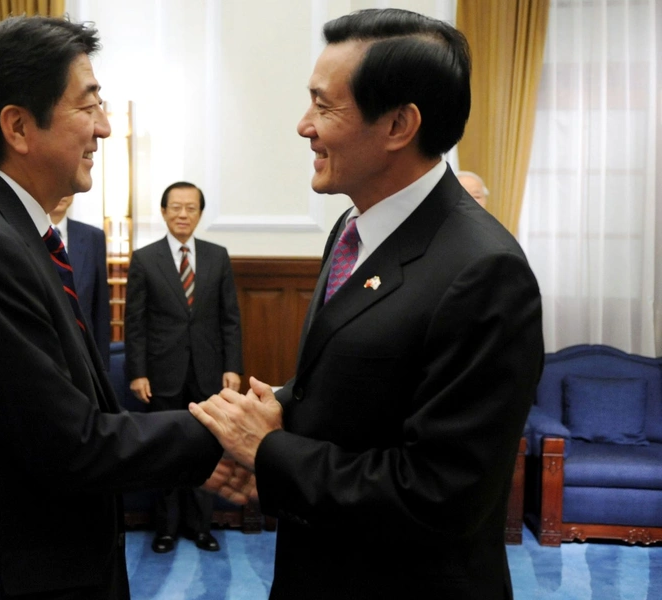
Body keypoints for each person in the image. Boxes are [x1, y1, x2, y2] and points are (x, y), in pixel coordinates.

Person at [189, 8, 544, 599]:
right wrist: (270, 416)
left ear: (399, 125)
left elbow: (438, 494)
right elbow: (357, 383)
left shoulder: (485, 272)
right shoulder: (353, 231)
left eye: (324, 107)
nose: (304, 126)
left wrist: (271, 453)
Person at [0, 16, 249, 600]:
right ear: (18, 126)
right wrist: (229, 428)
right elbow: (75, 445)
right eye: (89, 106)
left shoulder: (14, 234)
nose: (105, 128)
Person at [124, 181, 243, 554]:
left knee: (207, 450)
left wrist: (232, 366)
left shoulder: (217, 256)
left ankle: (201, 526)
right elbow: (135, 323)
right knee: (167, 453)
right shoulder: (145, 259)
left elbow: (230, 319)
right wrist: (137, 371)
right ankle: (166, 529)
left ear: (200, 214)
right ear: (163, 212)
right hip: (162, 373)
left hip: (209, 371)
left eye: (191, 208)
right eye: (175, 207)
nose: (182, 214)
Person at [49, 195, 111, 369]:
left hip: (83, 354)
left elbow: (100, 308)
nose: (61, 192)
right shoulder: (22, 231)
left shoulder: (93, 237)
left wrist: (102, 366)